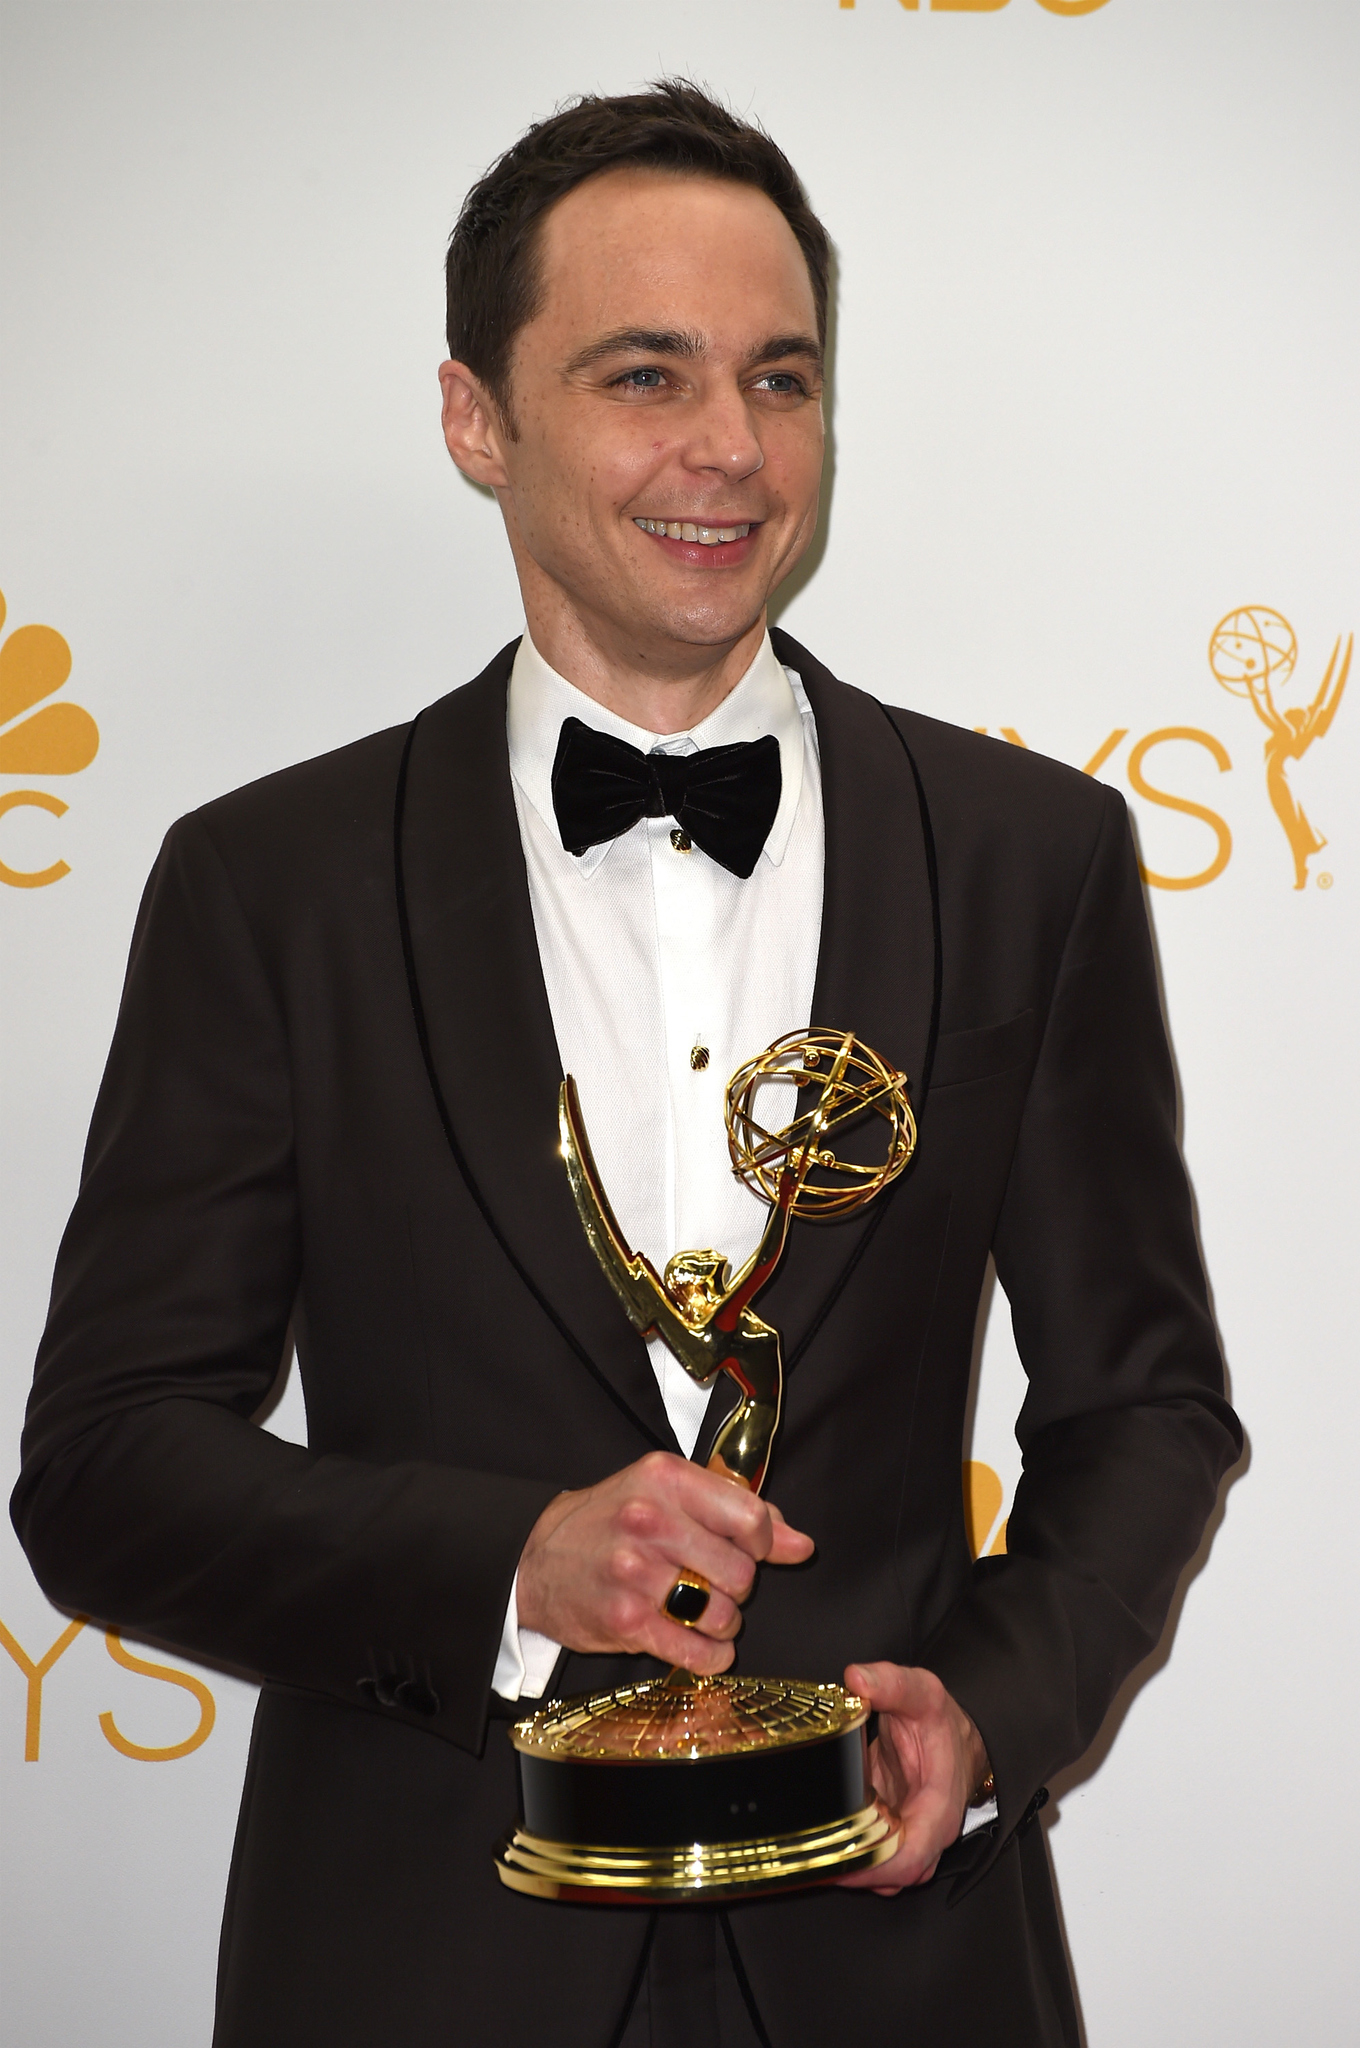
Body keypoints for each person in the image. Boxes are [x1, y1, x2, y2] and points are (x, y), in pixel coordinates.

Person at [11, 81, 1241, 2048]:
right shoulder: (270, 884)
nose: (730, 451)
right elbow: (104, 1465)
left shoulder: (1032, 864)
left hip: (895, 1962)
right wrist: (503, 1560)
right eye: (642, 375)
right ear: (474, 419)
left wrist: (989, 1717)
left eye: (779, 377)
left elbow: (1147, 1405)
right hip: (416, 1964)